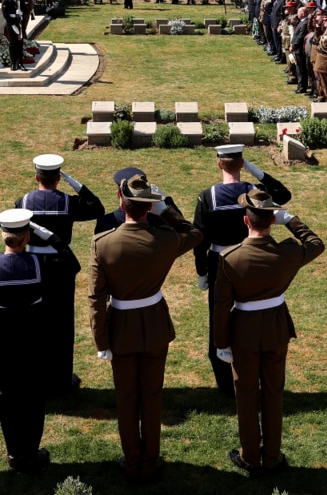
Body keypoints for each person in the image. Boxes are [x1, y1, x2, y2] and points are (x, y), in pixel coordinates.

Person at [89, 174, 203, 484]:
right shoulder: (164, 239)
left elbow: (96, 297)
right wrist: (165, 208)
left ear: (119, 199)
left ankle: (132, 460)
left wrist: (101, 340)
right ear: (148, 208)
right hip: (154, 325)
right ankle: (150, 461)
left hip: (121, 329)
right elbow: (194, 232)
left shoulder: (103, 243)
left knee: (127, 398)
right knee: (151, 396)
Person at [213, 190, 324, 475]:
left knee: (246, 395)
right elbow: (316, 243)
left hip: (244, 334)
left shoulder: (230, 258)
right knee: (274, 394)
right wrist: (292, 220)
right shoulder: (287, 253)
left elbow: (221, 307)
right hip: (275, 329)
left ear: (245, 221)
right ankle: (272, 456)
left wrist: (221, 343)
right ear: (272, 220)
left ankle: (250, 457)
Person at [0, 209, 70, 473]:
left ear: (3, 237)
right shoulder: (41, 265)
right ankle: (31, 450)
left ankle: (14, 453)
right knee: (34, 394)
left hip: (0, 335)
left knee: (8, 392)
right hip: (34, 334)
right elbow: (72, 265)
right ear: (27, 236)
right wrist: (51, 238)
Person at [193, 144, 292, 398]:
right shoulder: (255, 193)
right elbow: (283, 193)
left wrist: (202, 270)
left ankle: (227, 386)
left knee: (220, 319)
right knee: (252, 316)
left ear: (219, 164)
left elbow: (200, 239)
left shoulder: (207, 196)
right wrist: (256, 172)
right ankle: (255, 376)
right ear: (241, 164)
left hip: (220, 262)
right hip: (252, 260)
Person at [17, 153, 106, 397]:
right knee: (62, 322)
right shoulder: (68, 202)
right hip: (60, 266)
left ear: (36, 176)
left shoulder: (21, 202)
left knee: (34, 320)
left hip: (31, 265)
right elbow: (97, 208)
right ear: (58, 178)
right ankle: (62, 378)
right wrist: (76, 184)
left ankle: (37, 375)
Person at [2, 0, 26, 71]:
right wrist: (12, 23)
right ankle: (13, 63)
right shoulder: (6, 0)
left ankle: (20, 63)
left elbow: (26, 10)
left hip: (19, 22)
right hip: (11, 24)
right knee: (13, 44)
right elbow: (5, 14)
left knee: (20, 43)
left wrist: (21, 14)